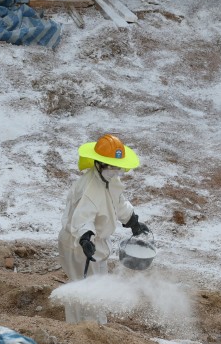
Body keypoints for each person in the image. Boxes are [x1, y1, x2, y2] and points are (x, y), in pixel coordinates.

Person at [58, 133, 151, 324]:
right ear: (99, 164)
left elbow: (118, 201)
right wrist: (85, 238)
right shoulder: (90, 188)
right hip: (79, 245)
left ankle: (97, 326)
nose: (115, 171)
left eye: (117, 167)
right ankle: (81, 329)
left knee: (95, 285)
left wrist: (132, 221)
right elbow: (82, 219)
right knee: (84, 288)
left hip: (96, 244)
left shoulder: (108, 180)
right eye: (111, 167)